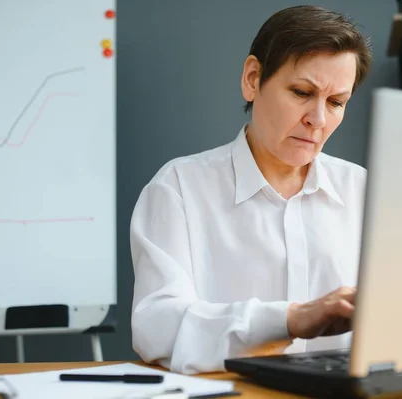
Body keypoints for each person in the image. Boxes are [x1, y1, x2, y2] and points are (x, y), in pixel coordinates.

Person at [130, 5, 372, 375]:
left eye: (336, 102)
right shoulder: (179, 188)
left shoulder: (364, 192)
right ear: (253, 78)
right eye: (302, 92)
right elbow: (158, 329)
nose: (318, 120)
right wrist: (289, 319)